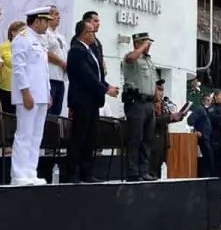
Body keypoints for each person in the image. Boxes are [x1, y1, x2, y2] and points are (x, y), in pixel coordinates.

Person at [65, 19, 117, 183]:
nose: (95, 34)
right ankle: (72, 173)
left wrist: (107, 86)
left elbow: (98, 76)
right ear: (83, 34)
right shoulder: (76, 51)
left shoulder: (91, 50)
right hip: (81, 100)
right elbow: (86, 76)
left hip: (93, 101)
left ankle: (86, 173)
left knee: (90, 137)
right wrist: (104, 89)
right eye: (92, 32)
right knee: (79, 137)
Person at [9, 6, 54, 186]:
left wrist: (48, 92)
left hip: (41, 94)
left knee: (36, 136)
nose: (48, 26)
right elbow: (19, 68)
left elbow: (43, 70)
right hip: (28, 95)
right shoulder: (23, 39)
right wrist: (25, 92)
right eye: (46, 22)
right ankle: (19, 174)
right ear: (37, 21)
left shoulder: (40, 41)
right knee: (24, 135)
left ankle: (30, 171)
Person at [122, 31, 159, 182]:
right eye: (145, 42)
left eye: (148, 43)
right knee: (135, 137)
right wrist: (141, 47)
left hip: (149, 103)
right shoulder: (131, 57)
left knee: (148, 138)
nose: (148, 46)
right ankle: (133, 172)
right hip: (135, 102)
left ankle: (144, 170)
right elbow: (130, 58)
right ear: (137, 43)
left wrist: (157, 100)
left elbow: (154, 81)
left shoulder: (148, 61)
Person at [150, 79, 184, 178]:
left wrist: (180, 116)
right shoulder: (148, 104)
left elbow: (168, 118)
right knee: (151, 170)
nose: (161, 93)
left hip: (163, 141)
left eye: (162, 90)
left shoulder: (163, 104)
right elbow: (153, 120)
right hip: (152, 141)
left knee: (160, 170)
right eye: (159, 90)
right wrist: (170, 117)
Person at [0, 22, 27, 114]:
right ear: (13, 33)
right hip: (7, 87)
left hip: (22, 87)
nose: (24, 34)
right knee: (9, 115)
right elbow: (11, 62)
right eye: (22, 31)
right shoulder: (4, 46)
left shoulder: (27, 47)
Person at [41, 7, 67, 117]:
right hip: (50, 77)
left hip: (60, 78)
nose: (59, 17)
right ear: (49, 16)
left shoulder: (60, 35)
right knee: (48, 112)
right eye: (56, 14)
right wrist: (61, 63)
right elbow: (45, 52)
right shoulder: (44, 33)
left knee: (57, 111)